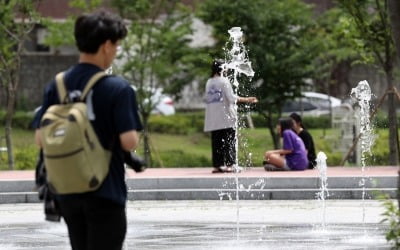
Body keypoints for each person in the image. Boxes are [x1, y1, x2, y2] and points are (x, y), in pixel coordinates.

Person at [33, 10, 142, 250]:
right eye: (116, 45)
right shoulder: (118, 88)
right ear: (106, 45)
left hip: (67, 192)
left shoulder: (57, 85)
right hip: (105, 191)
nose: (116, 51)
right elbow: (129, 141)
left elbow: (40, 138)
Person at [204, 59, 258, 173]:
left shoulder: (209, 82)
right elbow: (231, 98)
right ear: (222, 69)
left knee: (216, 142)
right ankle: (231, 164)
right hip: (225, 116)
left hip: (213, 117)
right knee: (229, 140)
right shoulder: (224, 81)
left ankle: (218, 165)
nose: (227, 70)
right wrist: (247, 99)